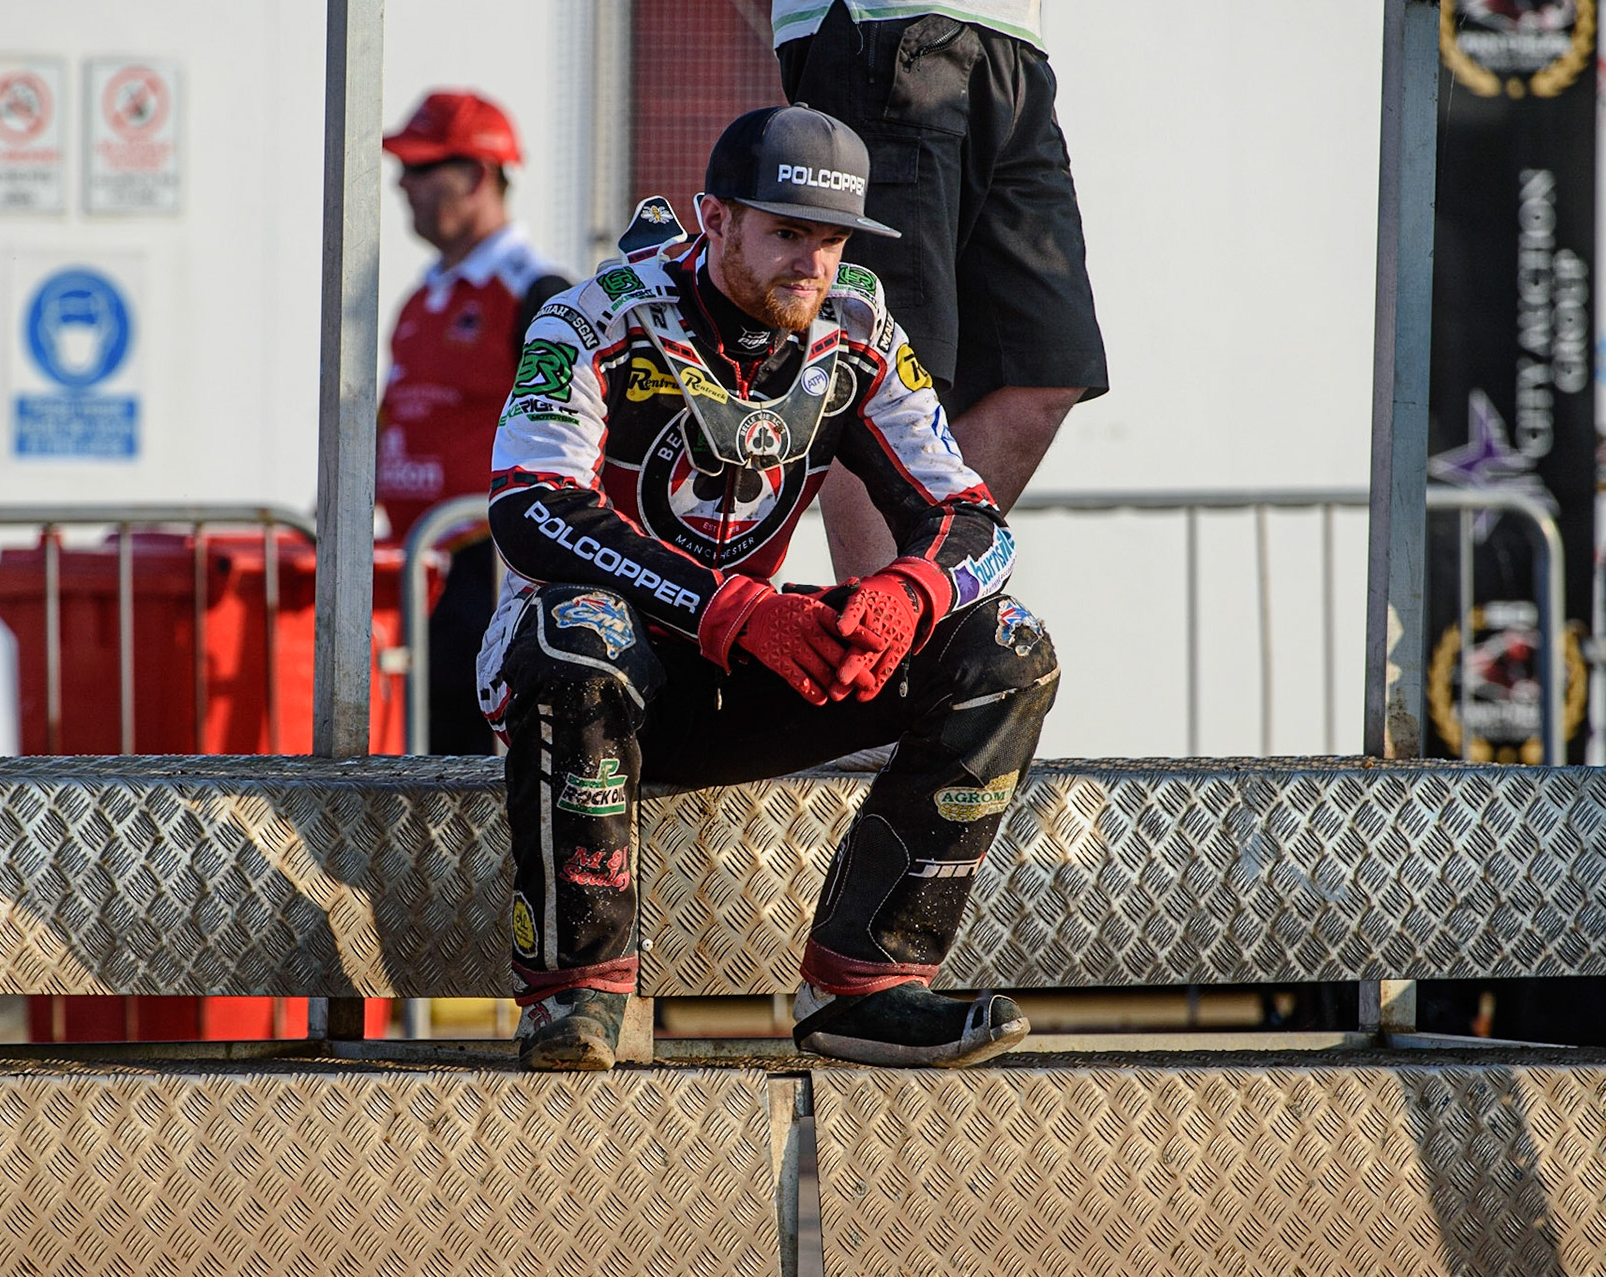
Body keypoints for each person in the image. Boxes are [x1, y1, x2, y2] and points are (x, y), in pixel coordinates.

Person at [480, 104, 1060, 1071]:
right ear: (714, 221)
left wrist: (908, 593)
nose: (813, 263)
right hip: (593, 677)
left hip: (754, 669)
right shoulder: (591, 318)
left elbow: (971, 520)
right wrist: (734, 609)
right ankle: (574, 991)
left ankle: (864, 986)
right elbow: (528, 508)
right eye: (787, 233)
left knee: (1007, 645)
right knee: (579, 628)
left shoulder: (859, 324)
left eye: (832, 240)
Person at [773, 1, 1109, 580]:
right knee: (874, 366)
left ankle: (919, 595)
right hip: (886, 29)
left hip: (1014, 46)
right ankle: (874, 648)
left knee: (1048, 365)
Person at [378, 91, 569, 755]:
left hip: (486, 573)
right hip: (414, 571)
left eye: (422, 168)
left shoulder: (537, 293)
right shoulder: (422, 297)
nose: (403, 183)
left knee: (475, 764)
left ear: (478, 176)